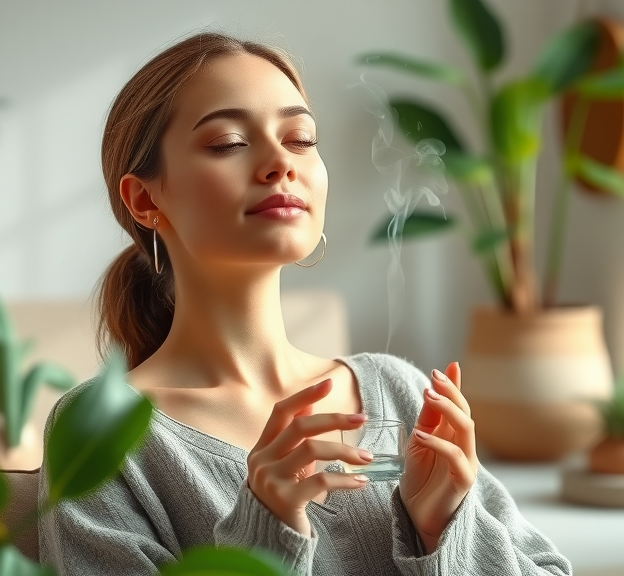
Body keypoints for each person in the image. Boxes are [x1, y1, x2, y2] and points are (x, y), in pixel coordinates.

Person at [38, 32, 572, 576]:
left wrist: (445, 531)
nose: (279, 163)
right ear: (146, 199)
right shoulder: (105, 430)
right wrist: (262, 536)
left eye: (300, 139)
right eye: (227, 142)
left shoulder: (401, 394)